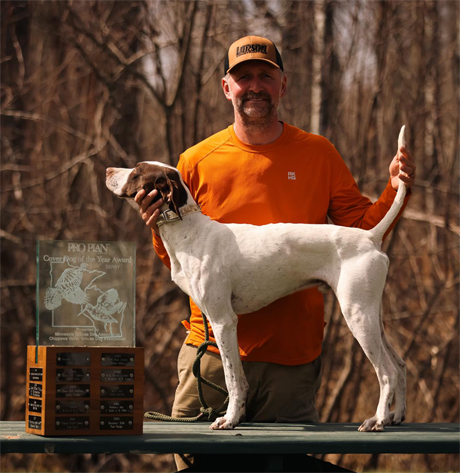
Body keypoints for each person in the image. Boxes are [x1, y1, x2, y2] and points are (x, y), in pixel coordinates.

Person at [135, 35, 416, 471]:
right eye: (243, 77)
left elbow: (361, 234)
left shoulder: (318, 153)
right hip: (209, 362)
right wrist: (157, 225)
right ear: (226, 87)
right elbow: (178, 260)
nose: (255, 86)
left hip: (291, 364)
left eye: (265, 76)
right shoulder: (193, 162)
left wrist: (395, 188)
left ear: (283, 84)